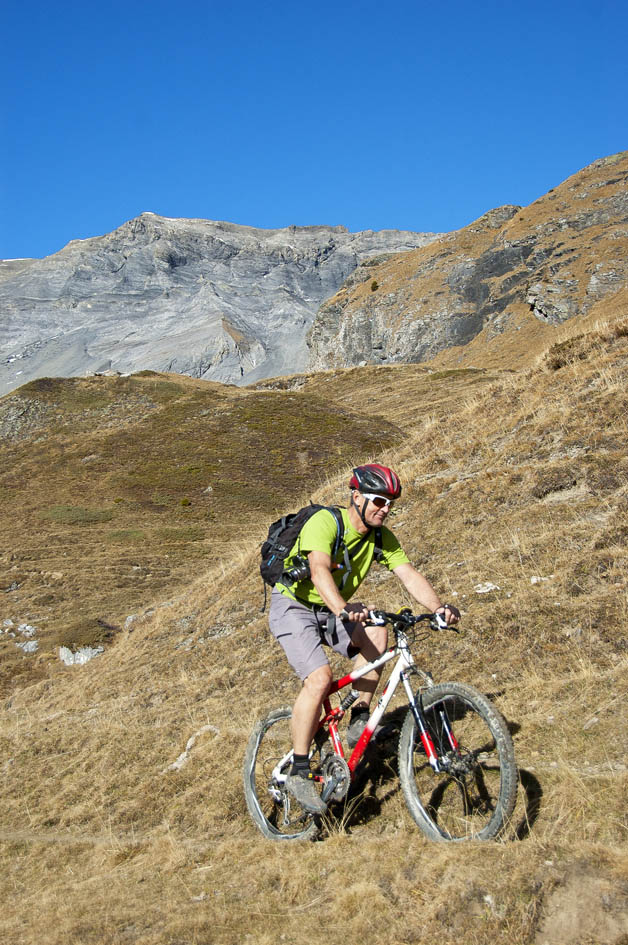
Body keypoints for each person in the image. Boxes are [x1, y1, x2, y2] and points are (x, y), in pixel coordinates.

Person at [268, 462, 460, 814]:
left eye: (390, 503)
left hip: (332, 609)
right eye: (378, 501)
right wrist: (342, 608)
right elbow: (319, 569)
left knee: (378, 628)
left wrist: (437, 607)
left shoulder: (380, 537)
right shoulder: (326, 522)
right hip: (293, 605)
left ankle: (359, 716)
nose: (384, 509)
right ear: (356, 496)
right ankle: (298, 770)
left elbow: (408, 573)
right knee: (320, 679)